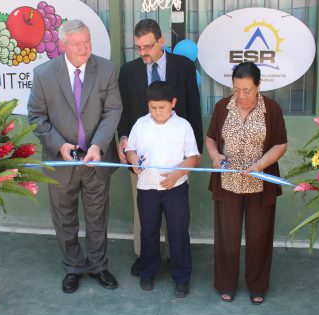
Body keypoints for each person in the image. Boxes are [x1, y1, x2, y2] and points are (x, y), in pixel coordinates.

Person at [28, 20, 122, 294]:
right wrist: (59, 145)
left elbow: (113, 110)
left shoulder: (105, 69)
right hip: (61, 162)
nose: (84, 48)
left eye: (87, 42)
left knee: (97, 216)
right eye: (78, 44)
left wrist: (98, 145)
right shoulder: (44, 74)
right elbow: (36, 116)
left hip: (96, 159)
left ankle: (98, 266)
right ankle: (73, 267)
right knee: (64, 217)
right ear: (63, 45)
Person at [117, 18, 203, 277]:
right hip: (142, 156)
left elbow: (193, 111)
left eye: (147, 47)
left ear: (161, 42)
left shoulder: (184, 67)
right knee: (145, 215)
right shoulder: (128, 71)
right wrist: (123, 140)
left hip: (177, 158)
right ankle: (145, 257)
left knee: (176, 216)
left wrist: (192, 157)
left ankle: (174, 258)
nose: (143, 53)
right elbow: (124, 111)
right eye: (138, 48)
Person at [206, 62, 287, 304]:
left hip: (259, 184)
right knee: (226, 237)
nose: (241, 95)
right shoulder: (222, 107)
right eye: (236, 89)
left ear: (259, 86)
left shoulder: (271, 109)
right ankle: (226, 283)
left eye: (247, 90)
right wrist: (215, 156)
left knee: (259, 237)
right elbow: (211, 138)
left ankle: (258, 286)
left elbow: (280, 144)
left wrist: (260, 165)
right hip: (228, 183)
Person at [125, 81, 199, 298]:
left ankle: (181, 276)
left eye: (162, 108)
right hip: (147, 188)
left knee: (178, 232)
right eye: (153, 107)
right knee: (148, 231)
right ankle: (147, 271)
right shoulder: (140, 124)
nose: (157, 112)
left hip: (176, 188)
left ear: (173, 103)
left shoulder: (183, 125)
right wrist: (133, 161)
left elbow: (193, 158)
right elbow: (131, 149)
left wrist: (178, 173)